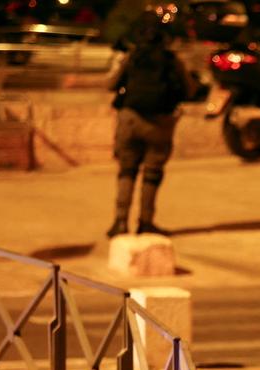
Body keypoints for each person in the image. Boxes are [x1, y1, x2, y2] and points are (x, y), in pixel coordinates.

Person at [105, 11, 193, 238]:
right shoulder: (172, 61)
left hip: (130, 119)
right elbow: (189, 89)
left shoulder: (132, 57)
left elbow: (111, 84)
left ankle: (121, 222)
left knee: (126, 171)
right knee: (152, 174)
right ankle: (146, 222)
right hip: (160, 124)